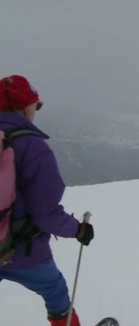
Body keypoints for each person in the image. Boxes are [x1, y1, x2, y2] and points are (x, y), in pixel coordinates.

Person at [0, 75, 94, 326]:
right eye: (36, 105)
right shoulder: (32, 147)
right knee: (55, 291)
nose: (36, 110)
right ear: (24, 107)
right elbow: (46, 214)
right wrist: (79, 230)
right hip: (22, 251)